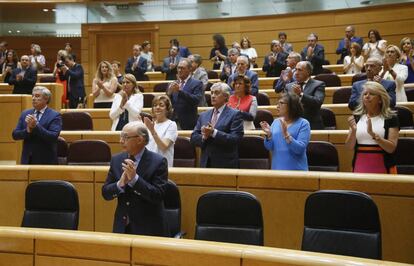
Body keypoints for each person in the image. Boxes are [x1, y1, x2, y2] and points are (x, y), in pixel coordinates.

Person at [102, 121, 169, 236]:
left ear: (140, 140)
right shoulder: (117, 160)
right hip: (121, 227)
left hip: (148, 229)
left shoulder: (158, 162)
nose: (121, 141)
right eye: (121, 136)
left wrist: (135, 180)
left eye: (125, 137)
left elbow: (158, 196)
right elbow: (106, 193)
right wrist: (120, 184)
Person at [345, 82, 399, 174]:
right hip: (359, 165)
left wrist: (373, 135)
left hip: (384, 166)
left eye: (372, 94)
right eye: (365, 94)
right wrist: (353, 131)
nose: (367, 96)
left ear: (380, 99)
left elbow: (391, 148)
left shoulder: (391, 118)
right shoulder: (357, 117)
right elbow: (349, 147)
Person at [191, 82, 244, 168]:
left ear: (226, 96)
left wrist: (214, 133)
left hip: (226, 164)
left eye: (216, 93)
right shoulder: (203, 115)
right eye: (211, 93)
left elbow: (236, 139)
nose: (212, 96)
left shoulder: (235, 114)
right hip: (206, 163)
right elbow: (193, 138)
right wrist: (204, 137)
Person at [12, 86, 62, 164]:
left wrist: (36, 126)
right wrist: (27, 130)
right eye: (33, 96)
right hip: (27, 159)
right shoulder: (25, 113)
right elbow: (15, 135)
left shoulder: (55, 115)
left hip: (46, 160)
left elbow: (53, 136)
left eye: (37, 96)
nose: (33, 98)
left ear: (46, 99)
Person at [260, 93, 310, 170]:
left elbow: (299, 149)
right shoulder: (276, 122)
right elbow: (269, 147)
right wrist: (269, 135)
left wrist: (286, 135)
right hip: (277, 170)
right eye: (277, 103)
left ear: (292, 106)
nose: (277, 106)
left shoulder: (303, 123)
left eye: (281, 103)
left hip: (297, 171)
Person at [285, 61, 325, 129]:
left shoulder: (318, 84)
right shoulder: (288, 86)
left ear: (308, 72)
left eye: (300, 70)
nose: (296, 73)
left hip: (311, 124)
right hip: (292, 124)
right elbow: (285, 104)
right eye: (296, 69)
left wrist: (300, 94)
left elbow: (318, 102)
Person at [167, 58, 203, 130]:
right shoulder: (172, 84)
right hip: (173, 121)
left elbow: (196, 100)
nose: (180, 70)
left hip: (188, 121)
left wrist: (180, 91)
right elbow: (168, 103)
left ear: (190, 69)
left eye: (182, 68)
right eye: (178, 68)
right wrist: (168, 94)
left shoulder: (197, 83)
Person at [144, 95, 178, 167]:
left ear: (167, 109)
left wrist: (152, 131)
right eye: (155, 105)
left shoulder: (171, 125)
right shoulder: (149, 125)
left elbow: (164, 146)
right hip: (148, 163)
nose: (157, 107)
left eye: (161, 105)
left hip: (162, 166)